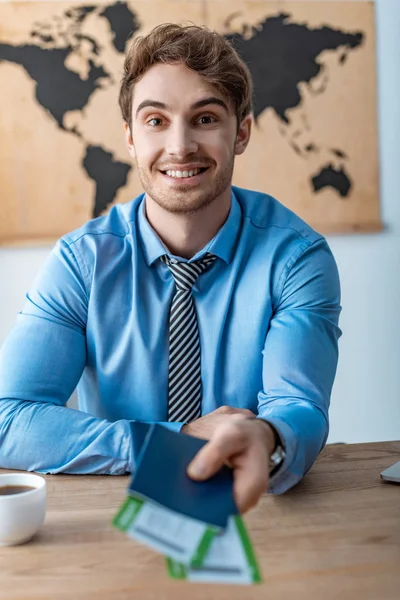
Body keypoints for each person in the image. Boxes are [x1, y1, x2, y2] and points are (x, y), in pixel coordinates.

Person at [0, 24, 341, 513]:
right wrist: (173, 440)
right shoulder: (81, 261)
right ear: (131, 138)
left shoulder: (296, 257)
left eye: (204, 118)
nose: (180, 146)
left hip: (253, 510)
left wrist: (265, 437)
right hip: (113, 511)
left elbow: (299, 408)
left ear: (240, 132)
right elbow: (9, 418)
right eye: (156, 121)